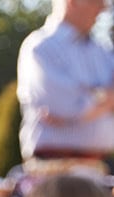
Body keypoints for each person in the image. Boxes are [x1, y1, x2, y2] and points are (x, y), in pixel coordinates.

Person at [17, 0, 114, 162]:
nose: (104, 8)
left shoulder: (102, 51)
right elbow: (66, 106)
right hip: (55, 166)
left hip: (102, 164)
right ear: (72, 2)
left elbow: (73, 109)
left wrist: (89, 97)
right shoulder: (41, 47)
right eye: (97, 1)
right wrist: (106, 100)